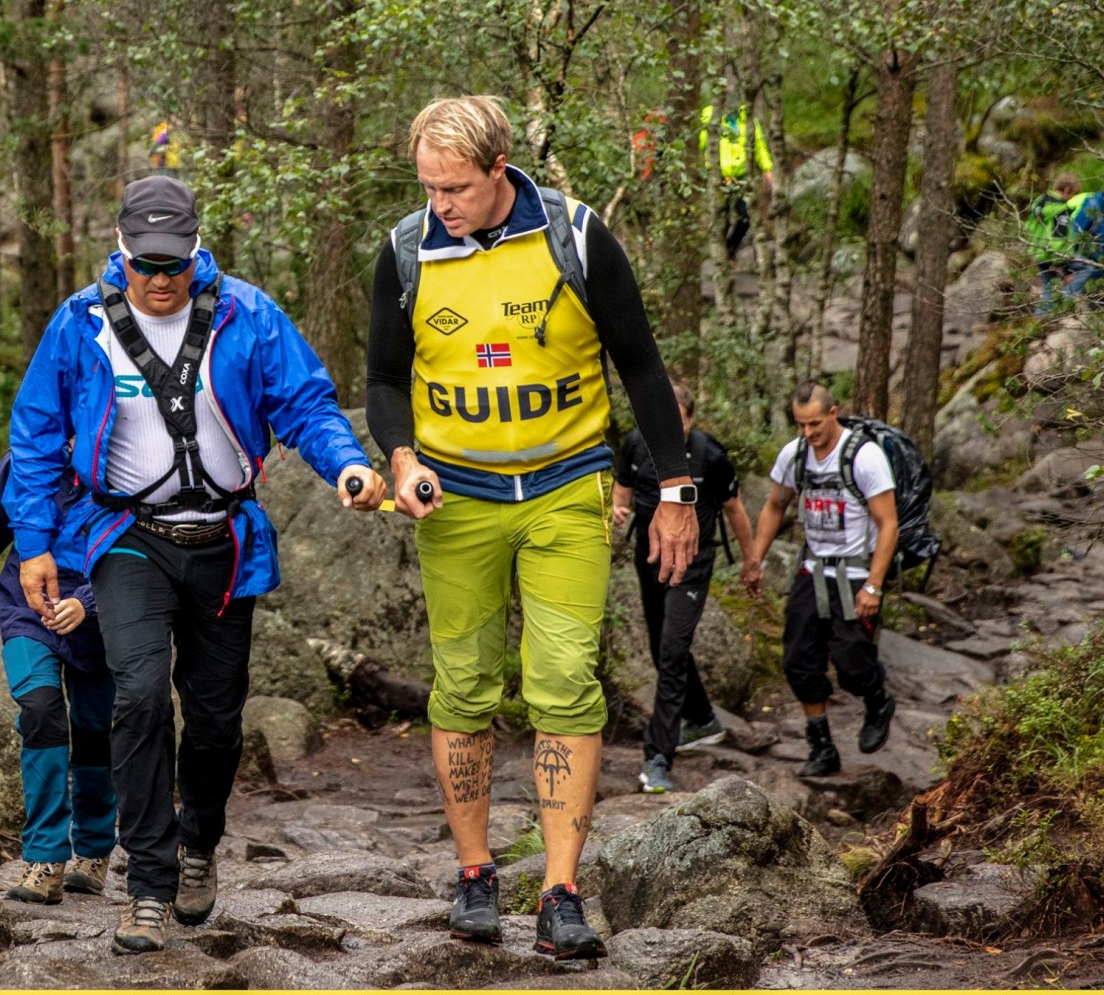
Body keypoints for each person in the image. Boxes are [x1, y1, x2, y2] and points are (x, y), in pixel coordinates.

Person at [5, 176, 385, 954]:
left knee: (214, 723)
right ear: (119, 249)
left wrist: (345, 464)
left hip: (223, 545)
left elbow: (307, 404)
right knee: (138, 698)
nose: (159, 279)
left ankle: (198, 844)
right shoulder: (80, 325)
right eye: (144, 264)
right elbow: (37, 438)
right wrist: (37, 544)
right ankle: (145, 884)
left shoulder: (248, 315)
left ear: (196, 250)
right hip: (126, 539)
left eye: (173, 264)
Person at [366, 95, 697, 961]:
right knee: (464, 685)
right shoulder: (407, 251)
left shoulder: (576, 236)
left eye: (459, 188)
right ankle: (476, 875)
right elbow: (384, 379)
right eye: (431, 187)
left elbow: (642, 366)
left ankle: (560, 891)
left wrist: (676, 490)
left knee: (563, 684)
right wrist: (401, 459)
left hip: (564, 488)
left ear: (500, 169)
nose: (443, 204)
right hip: (459, 498)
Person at [0, 451, 117, 905]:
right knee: (41, 710)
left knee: (96, 729)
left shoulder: (131, 452)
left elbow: (141, 549)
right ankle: (45, 859)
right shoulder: (28, 457)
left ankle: (95, 850)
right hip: (28, 609)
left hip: (100, 614)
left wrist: (90, 604)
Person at [612, 379, 761, 794]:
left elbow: (734, 509)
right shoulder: (636, 445)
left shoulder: (709, 454)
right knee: (665, 649)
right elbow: (622, 489)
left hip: (693, 565)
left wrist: (752, 562)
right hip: (650, 559)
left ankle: (657, 757)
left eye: (676, 422)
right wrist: (618, 509)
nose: (667, 429)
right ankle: (703, 720)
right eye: (659, 420)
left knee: (672, 652)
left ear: (691, 420)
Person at [743, 381, 899, 778]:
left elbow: (888, 524)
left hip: (855, 572)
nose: (808, 433)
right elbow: (775, 506)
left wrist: (874, 587)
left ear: (833, 413)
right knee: (798, 661)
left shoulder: (864, 456)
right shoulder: (794, 456)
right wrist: (755, 560)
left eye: (814, 423)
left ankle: (878, 700)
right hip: (812, 570)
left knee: (851, 665)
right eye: (800, 425)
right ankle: (822, 747)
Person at [699, 103, 775, 260]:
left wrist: (766, 168)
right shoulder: (710, 114)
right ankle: (720, 257)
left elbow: (759, 144)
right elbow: (701, 145)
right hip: (719, 178)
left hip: (740, 178)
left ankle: (729, 249)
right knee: (722, 218)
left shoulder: (746, 117)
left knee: (746, 217)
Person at [1025, 172, 1080, 313]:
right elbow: (1059, 237)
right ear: (1067, 191)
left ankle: (1041, 318)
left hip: (1039, 251)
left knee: (1047, 286)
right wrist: (1064, 261)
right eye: (1073, 194)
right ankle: (1066, 304)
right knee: (1088, 269)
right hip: (1054, 254)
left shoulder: (1040, 201)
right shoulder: (1061, 209)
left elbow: (1029, 227)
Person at [1064, 188, 1104, 301]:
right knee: (1092, 269)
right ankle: (1067, 299)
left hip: (1095, 249)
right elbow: (1076, 232)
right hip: (1080, 250)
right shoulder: (1093, 205)